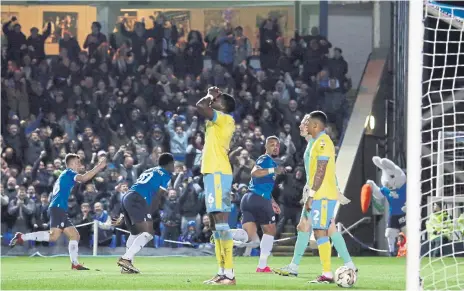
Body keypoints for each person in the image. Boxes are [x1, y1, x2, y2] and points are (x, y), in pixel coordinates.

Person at [9, 154, 107, 270]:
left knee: (74, 235)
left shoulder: (65, 174)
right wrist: (99, 167)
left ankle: (75, 263)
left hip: (59, 208)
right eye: (77, 162)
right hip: (58, 207)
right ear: (71, 164)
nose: (79, 164)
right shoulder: (69, 173)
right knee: (53, 237)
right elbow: (84, 178)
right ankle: (22, 237)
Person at [302, 111, 356, 283]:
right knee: (320, 231)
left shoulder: (324, 141)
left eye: (309, 122)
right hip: (321, 193)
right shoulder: (315, 142)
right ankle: (330, 271)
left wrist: (311, 194)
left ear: (316, 126)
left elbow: (321, 169)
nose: (306, 125)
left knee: (320, 231)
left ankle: (327, 274)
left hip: (323, 194)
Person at [196, 86, 236, 285]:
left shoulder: (225, 118)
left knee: (221, 222)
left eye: (218, 100)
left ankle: (229, 273)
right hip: (212, 173)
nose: (213, 101)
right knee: (214, 224)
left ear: (224, 107)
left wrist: (211, 94)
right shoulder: (215, 122)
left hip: (219, 172)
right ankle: (221, 271)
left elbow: (201, 105)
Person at [115, 153, 174, 274]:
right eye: (173, 165)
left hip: (128, 197)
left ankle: (126, 266)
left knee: (135, 232)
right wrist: (150, 211)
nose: (173, 167)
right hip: (138, 199)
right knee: (149, 232)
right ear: (169, 164)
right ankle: (126, 259)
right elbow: (158, 196)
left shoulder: (150, 169)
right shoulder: (166, 175)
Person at [240, 136, 283, 273]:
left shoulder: (269, 161)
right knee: (270, 231)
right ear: (266, 146)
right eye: (272, 145)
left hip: (248, 199)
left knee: (250, 237)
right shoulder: (266, 159)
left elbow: (263, 185)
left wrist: (273, 201)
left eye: (277, 145)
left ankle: (225, 235)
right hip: (259, 200)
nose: (275, 147)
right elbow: (254, 173)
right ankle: (262, 266)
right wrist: (273, 171)